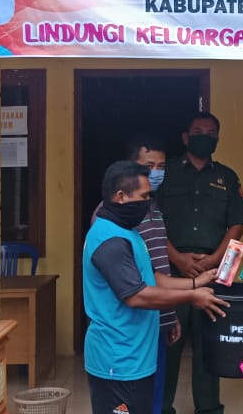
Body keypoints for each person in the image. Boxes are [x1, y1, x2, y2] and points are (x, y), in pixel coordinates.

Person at [83, 160, 229, 414]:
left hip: (137, 357)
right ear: (120, 196)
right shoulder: (109, 239)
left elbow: (153, 279)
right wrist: (192, 296)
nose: (149, 202)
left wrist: (197, 281)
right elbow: (137, 295)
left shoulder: (129, 233)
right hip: (117, 361)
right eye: (144, 196)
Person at [160, 112, 243, 414]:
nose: (205, 136)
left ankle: (209, 408)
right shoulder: (166, 173)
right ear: (185, 137)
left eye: (211, 132)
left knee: (210, 343)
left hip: (214, 270)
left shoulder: (227, 177)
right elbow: (151, 221)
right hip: (171, 270)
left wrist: (214, 260)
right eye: (198, 130)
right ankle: (161, 407)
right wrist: (178, 258)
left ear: (217, 138)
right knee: (168, 340)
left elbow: (237, 226)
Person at [91, 134, 176, 413]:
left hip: (147, 331)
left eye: (161, 166)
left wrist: (170, 314)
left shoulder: (146, 210)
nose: (156, 173)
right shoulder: (110, 226)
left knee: (151, 400)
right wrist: (193, 295)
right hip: (120, 347)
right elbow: (135, 293)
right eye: (149, 166)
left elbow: (153, 272)